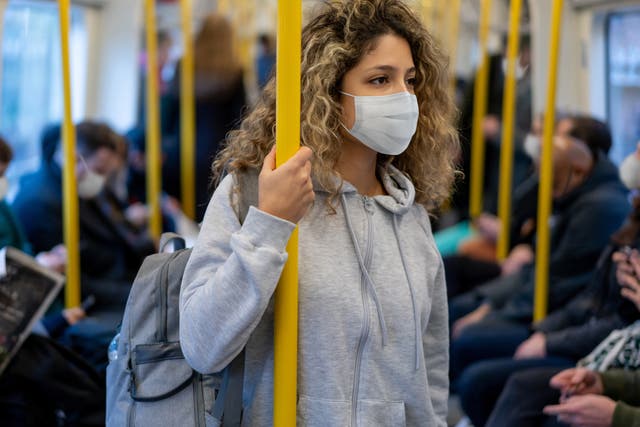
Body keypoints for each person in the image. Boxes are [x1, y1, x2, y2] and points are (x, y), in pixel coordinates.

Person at [179, 1, 458, 425]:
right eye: (380, 79)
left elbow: (431, 373)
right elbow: (202, 344)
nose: (403, 97)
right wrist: (269, 225)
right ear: (328, 91)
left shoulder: (410, 215)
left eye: (410, 80)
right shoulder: (252, 192)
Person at [449, 134, 629, 387]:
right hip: (557, 310)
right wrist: (493, 304)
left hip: (558, 315)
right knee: (461, 315)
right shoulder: (578, 196)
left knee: (470, 351)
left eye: (552, 183)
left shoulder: (598, 209)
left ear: (576, 173)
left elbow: (558, 281)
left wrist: (538, 330)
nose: (548, 190)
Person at [162, 13, 247, 221]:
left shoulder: (184, 66)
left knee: (179, 215)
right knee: (208, 213)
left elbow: (169, 111)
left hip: (181, 149)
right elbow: (240, 117)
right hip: (217, 153)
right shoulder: (235, 71)